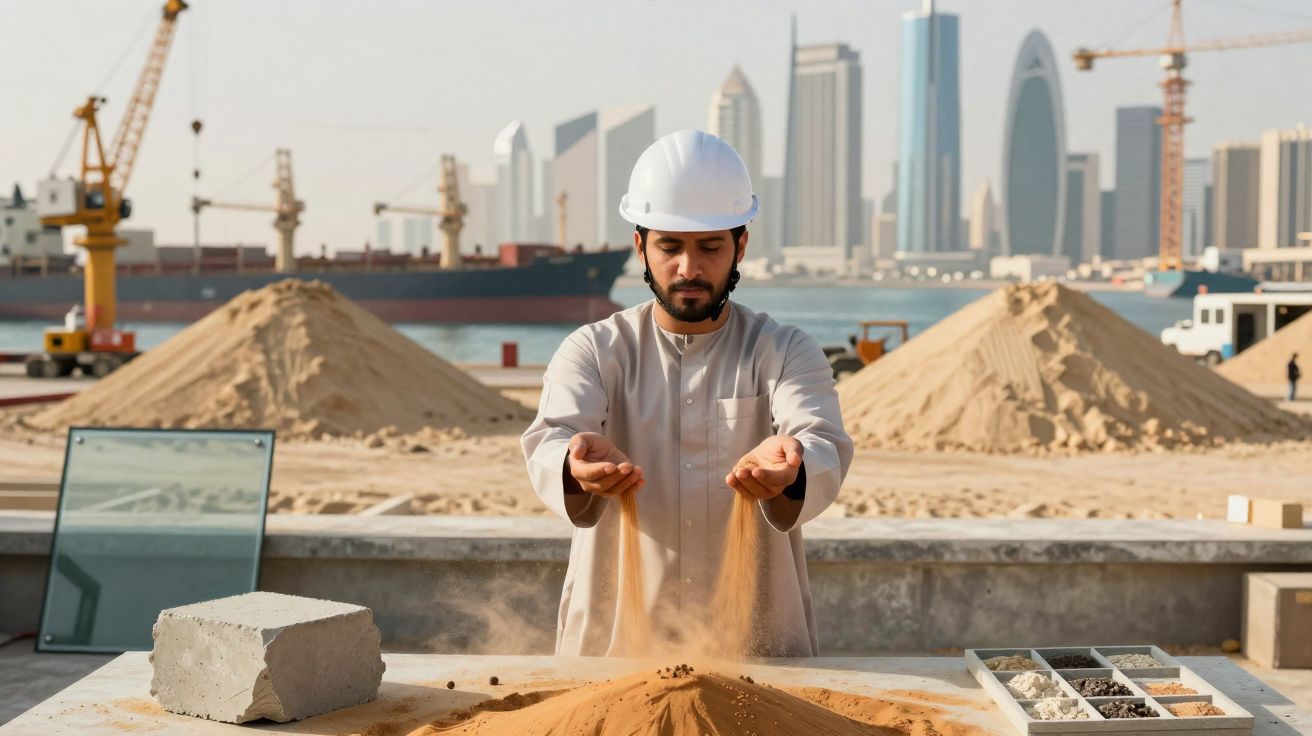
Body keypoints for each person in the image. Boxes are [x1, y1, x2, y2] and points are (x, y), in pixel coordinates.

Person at [520, 130, 853, 657]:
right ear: (641, 247)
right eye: (670, 246)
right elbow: (552, 439)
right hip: (618, 644)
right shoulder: (594, 349)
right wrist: (574, 464)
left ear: (741, 245)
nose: (689, 269)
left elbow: (820, 440)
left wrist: (792, 466)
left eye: (710, 247)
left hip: (755, 646)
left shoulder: (786, 350)